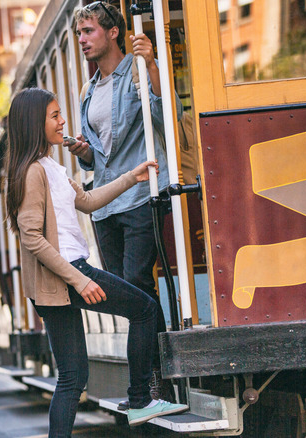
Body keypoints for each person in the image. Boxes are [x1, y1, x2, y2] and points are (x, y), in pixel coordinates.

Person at [4, 87, 187, 435]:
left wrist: (129, 178)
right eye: (54, 116)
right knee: (145, 310)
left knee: (73, 378)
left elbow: (87, 201)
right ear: (34, 123)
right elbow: (31, 238)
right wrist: (79, 279)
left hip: (59, 280)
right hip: (68, 273)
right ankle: (139, 400)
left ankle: (135, 403)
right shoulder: (32, 173)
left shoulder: (50, 167)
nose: (63, 122)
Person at [65, 1, 183, 402]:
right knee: (129, 296)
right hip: (106, 204)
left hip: (140, 194)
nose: (82, 40)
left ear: (113, 32)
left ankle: (155, 380)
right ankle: (157, 374)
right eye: (79, 34)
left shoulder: (134, 72)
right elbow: (100, 154)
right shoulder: (88, 90)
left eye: (88, 32)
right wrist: (82, 150)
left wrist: (151, 65)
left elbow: (166, 115)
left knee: (136, 283)